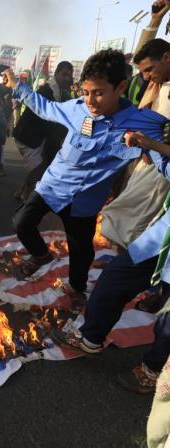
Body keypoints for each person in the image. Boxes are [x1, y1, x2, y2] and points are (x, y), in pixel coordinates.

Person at [3, 49, 170, 300]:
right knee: (21, 223)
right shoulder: (78, 109)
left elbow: (163, 164)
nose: (90, 101)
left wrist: (152, 146)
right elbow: (45, 107)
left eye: (99, 93)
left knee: (81, 252)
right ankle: (41, 255)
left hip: (86, 202)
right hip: (53, 187)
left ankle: (77, 288)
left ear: (121, 87)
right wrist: (18, 86)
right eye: (86, 92)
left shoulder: (143, 123)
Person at [51, 129, 170, 396]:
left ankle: (153, 371)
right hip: (162, 238)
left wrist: (151, 145)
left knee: (168, 322)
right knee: (116, 277)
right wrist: (150, 149)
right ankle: (91, 337)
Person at [100, 4, 170, 256]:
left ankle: (128, 270)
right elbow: (146, 55)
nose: (147, 76)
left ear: (167, 58)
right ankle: (123, 264)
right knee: (122, 212)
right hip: (143, 157)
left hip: (160, 165)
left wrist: (151, 146)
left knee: (134, 219)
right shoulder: (157, 84)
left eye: (150, 70)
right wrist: (154, 20)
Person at [12, 61, 74, 201]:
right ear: (56, 74)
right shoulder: (47, 91)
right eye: (64, 74)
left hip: (38, 137)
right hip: (28, 137)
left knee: (42, 166)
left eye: (69, 76)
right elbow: (51, 120)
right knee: (39, 171)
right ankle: (26, 204)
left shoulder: (60, 91)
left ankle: (22, 191)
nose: (67, 78)